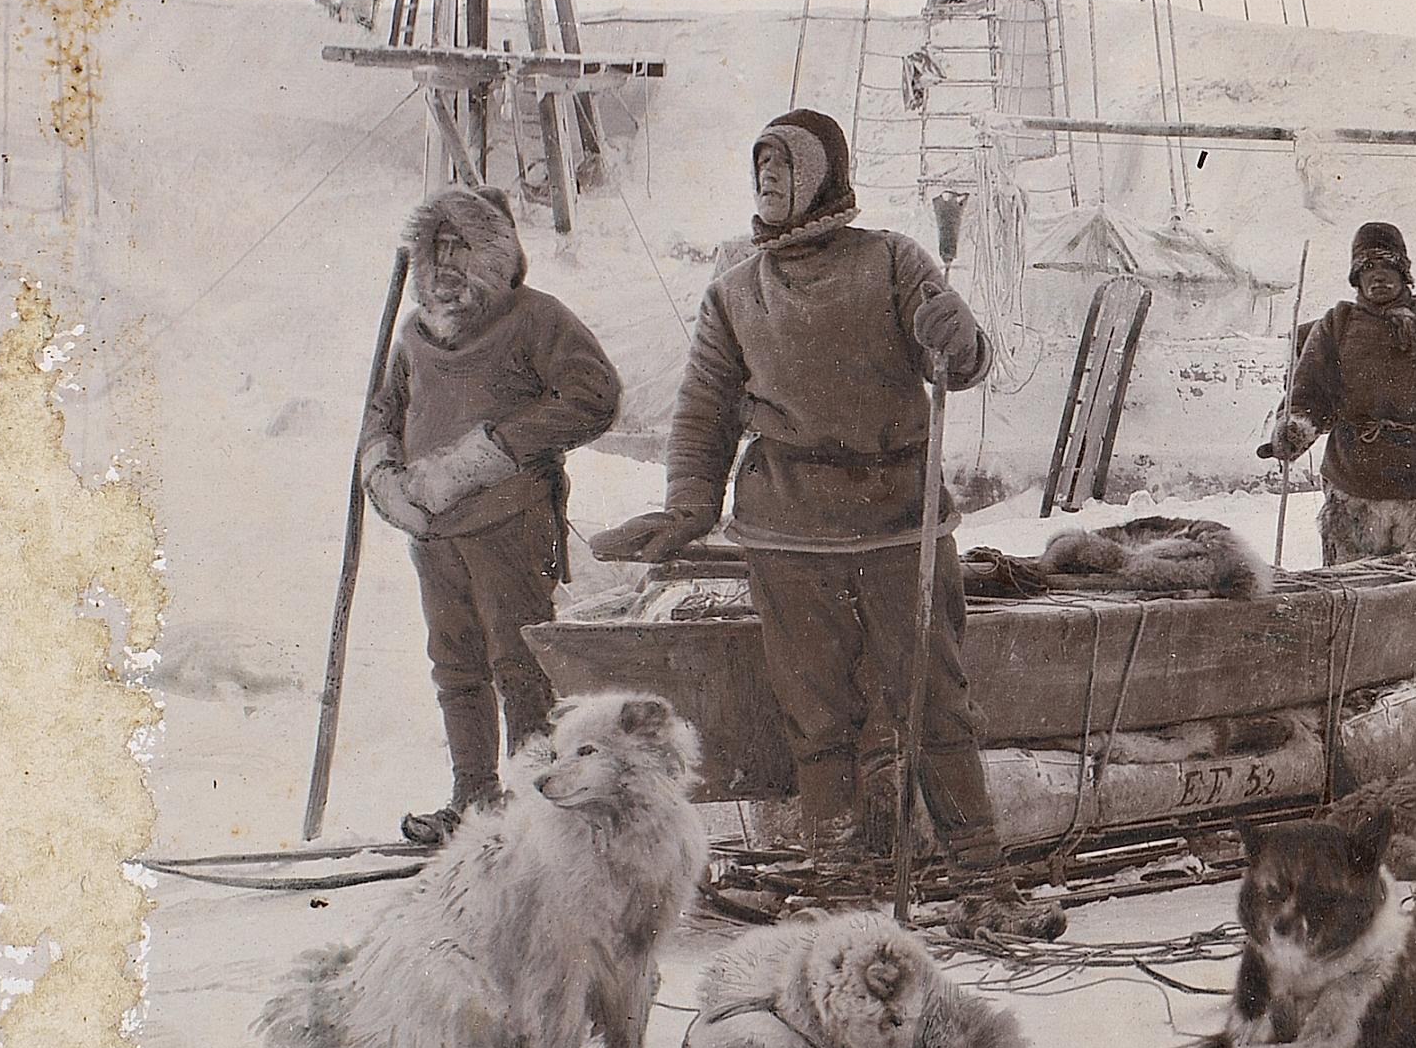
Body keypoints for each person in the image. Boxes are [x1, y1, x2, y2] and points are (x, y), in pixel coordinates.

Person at [604, 111, 1028, 917]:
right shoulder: (735, 291)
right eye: (759, 164)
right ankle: (840, 876)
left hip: (898, 521)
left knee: (933, 703)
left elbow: (961, 366)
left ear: (825, 175)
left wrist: (959, 335)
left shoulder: (894, 260)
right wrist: (688, 506)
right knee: (817, 714)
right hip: (788, 531)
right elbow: (705, 410)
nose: (767, 178)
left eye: (785, 164)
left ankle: (979, 875)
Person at [357, 185, 621, 848]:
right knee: (455, 664)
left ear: (492, 254)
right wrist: (383, 475)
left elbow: (594, 396)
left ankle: (538, 803)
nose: (444, 264)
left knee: (519, 663)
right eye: (434, 248)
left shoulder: (535, 319)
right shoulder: (415, 336)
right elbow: (382, 410)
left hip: (510, 521)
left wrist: (494, 450)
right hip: (432, 528)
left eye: (461, 247)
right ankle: (474, 798)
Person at [1267, 222, 1416, 565]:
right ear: (1355, 279)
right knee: (1353, 596)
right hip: (1352, 489)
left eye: (1387, 266)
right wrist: (1294, 429)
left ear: (1404, 272)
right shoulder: (1337, 323)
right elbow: (1308, 393)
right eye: (1367, 268)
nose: (1377, 276)